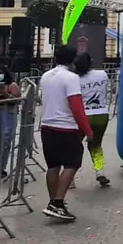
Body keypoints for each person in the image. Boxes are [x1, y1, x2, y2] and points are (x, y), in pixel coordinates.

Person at [39, 45, 94, 221]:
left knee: (53, 166)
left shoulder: (46, 76)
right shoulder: (71, 78)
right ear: (73, 60)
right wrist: (87, 129)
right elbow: (76, 106)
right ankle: (57, 203)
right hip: (66, 126)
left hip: (47, 125)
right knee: (72, 164)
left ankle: (54, 201)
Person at [74, 52, 111, 188]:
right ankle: (99, 171)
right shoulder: (102, 74)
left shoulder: (75, 79)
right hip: (101, 114)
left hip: (83, 116)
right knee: (96, 145)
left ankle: (70, 177)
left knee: (75, 146)